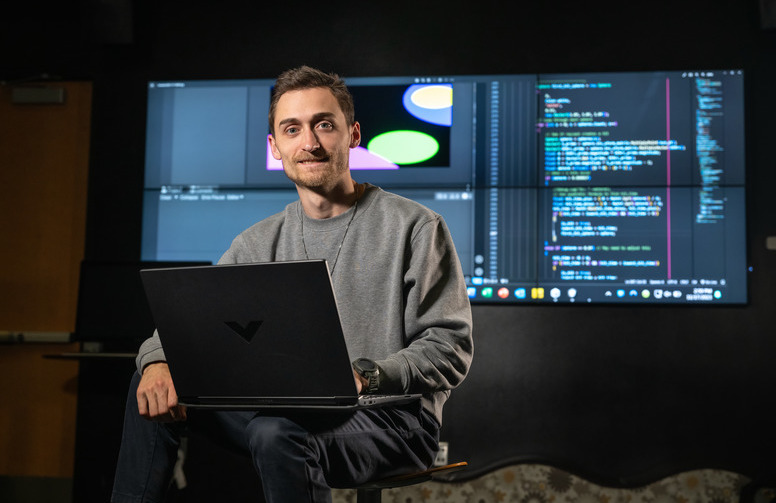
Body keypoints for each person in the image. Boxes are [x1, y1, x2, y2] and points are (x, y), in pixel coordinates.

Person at [111, 65, 474, 503]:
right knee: (149, 384)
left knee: (274, 430)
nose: (310, 143)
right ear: (275, 147)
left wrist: (365, 376)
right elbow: (181, 330)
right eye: (292, 129)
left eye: (324, 125)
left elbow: (448, 347)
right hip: (287, 415)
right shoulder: (256, 241)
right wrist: (156, 363)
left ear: (353, 135)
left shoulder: (414, 227)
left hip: (394, 421)